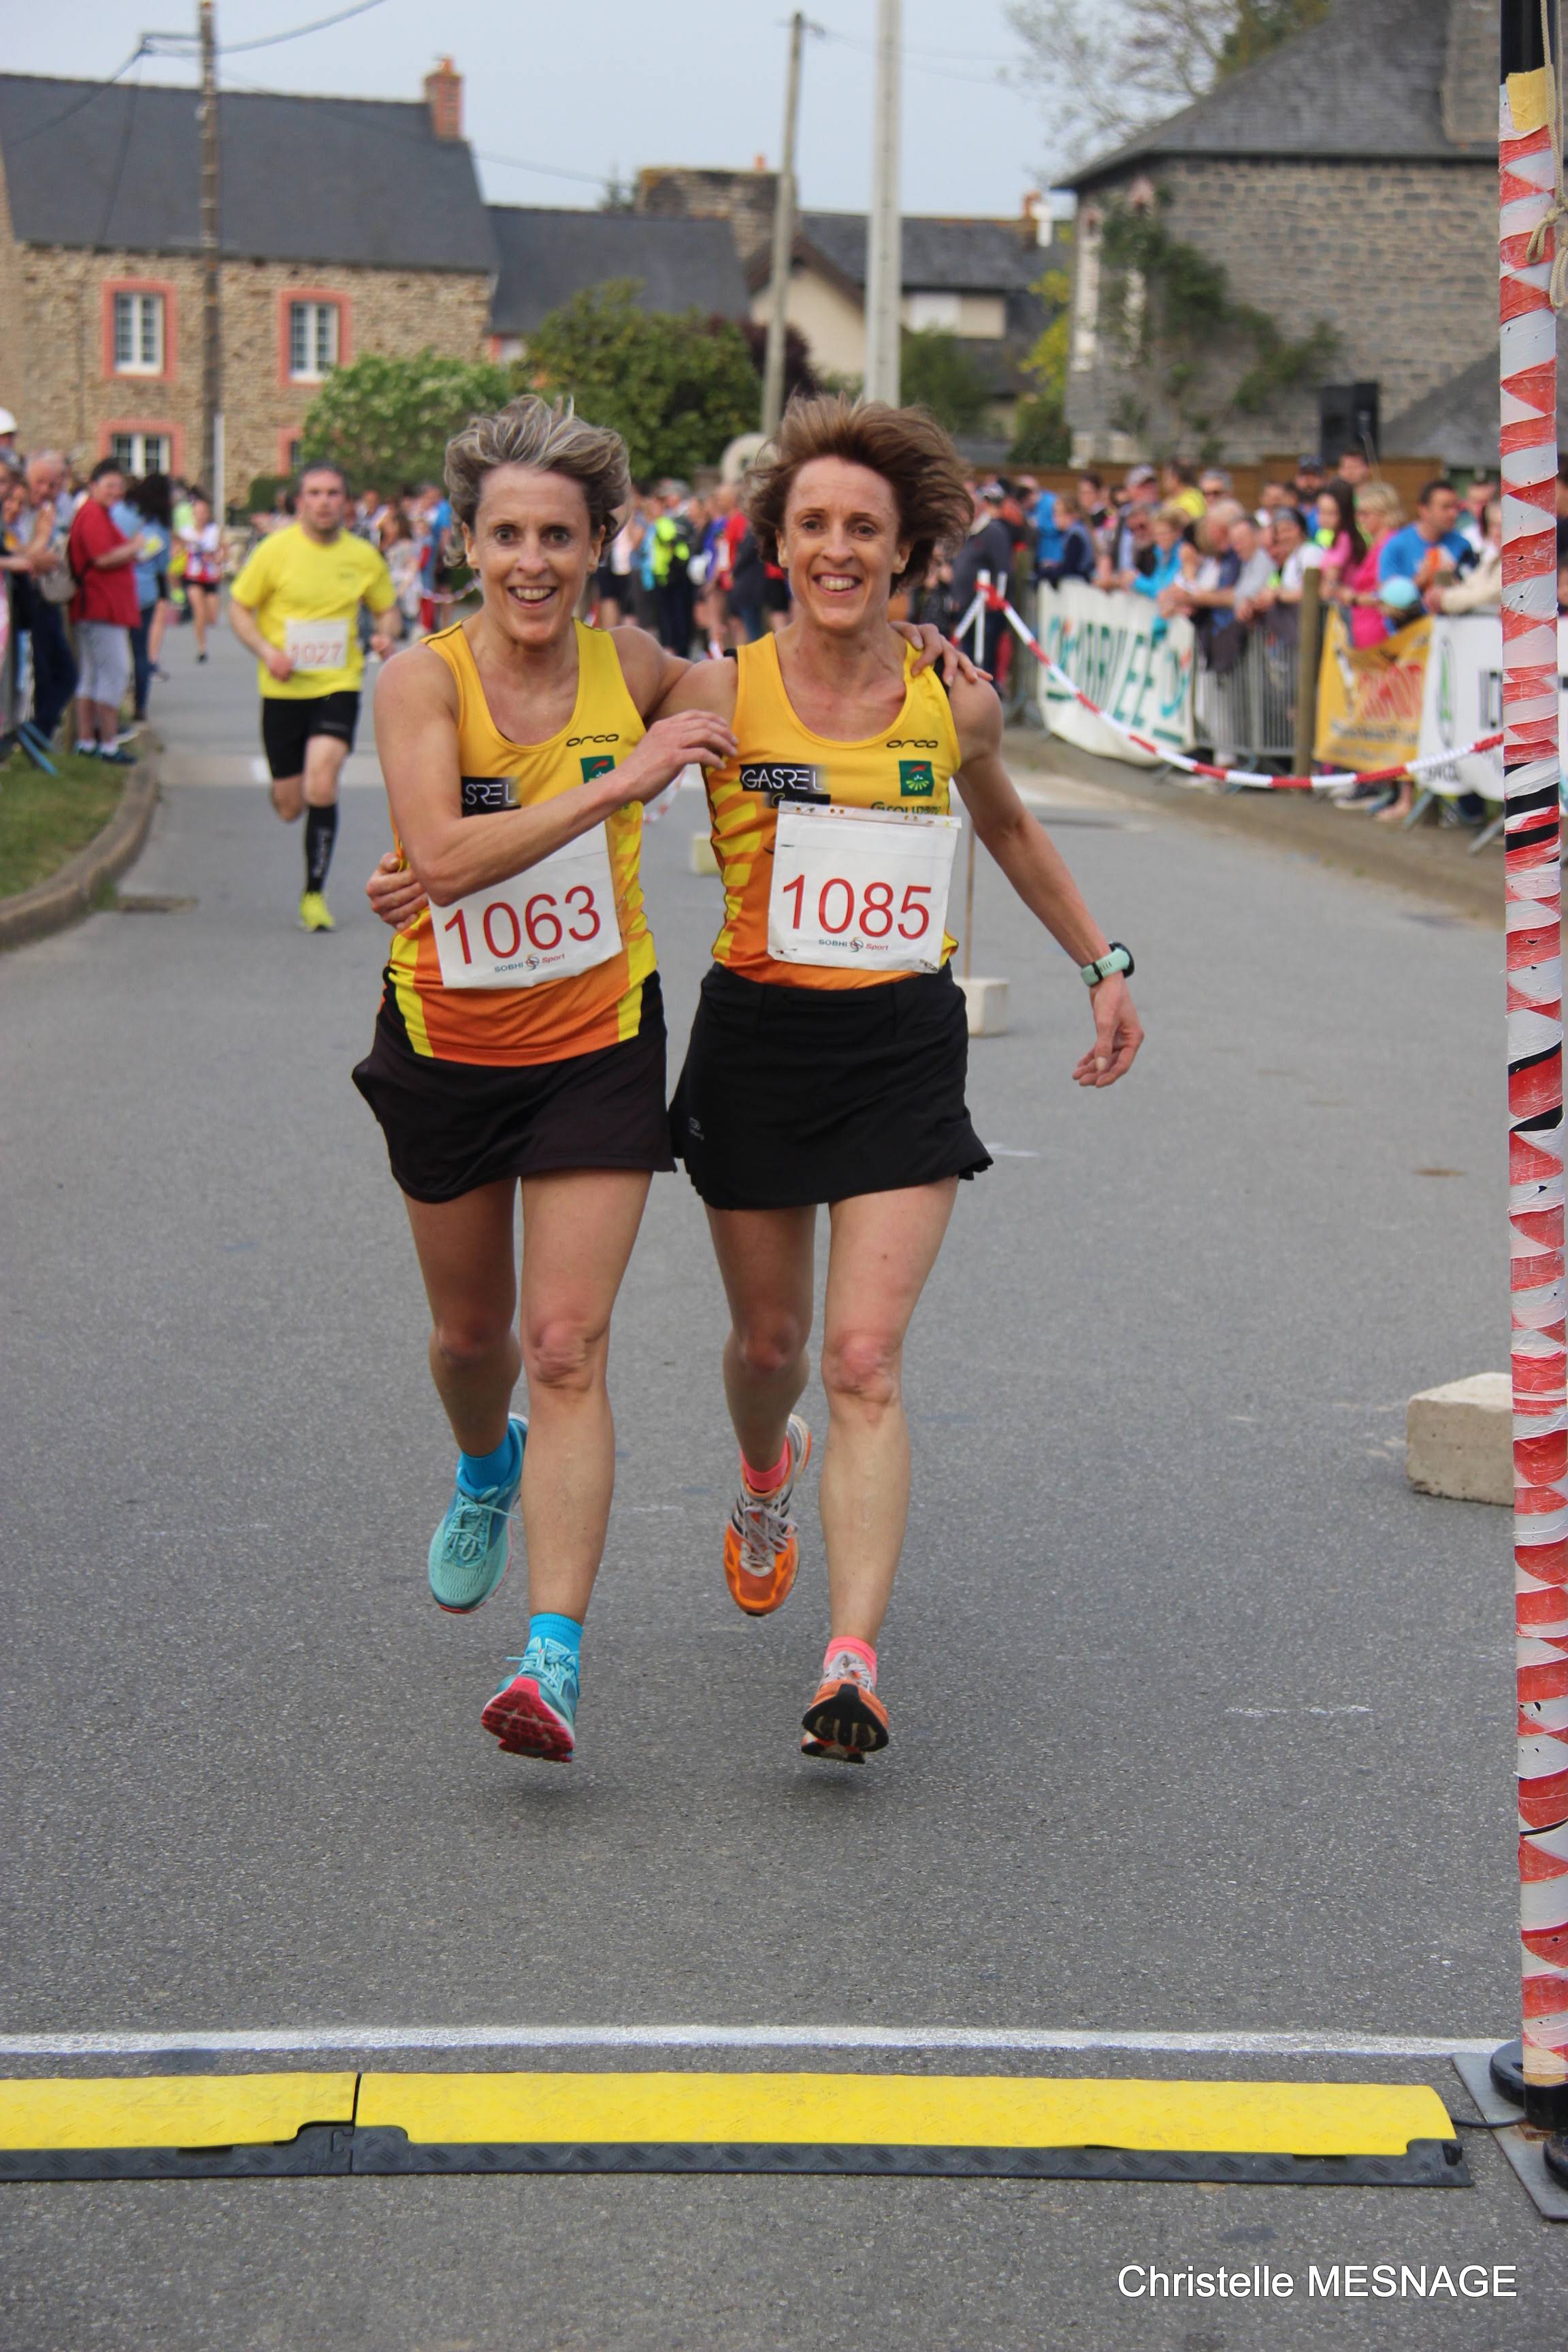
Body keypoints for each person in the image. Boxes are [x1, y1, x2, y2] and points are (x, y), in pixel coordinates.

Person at [358, 395, 977, 1765]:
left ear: (599, 548)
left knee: (562, 1345)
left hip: (596, 1044)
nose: (532, 563)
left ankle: (551, 1660)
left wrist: (907, 643)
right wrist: (616, 783)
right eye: (507, 536)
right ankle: (484, 1464)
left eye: (557, 539)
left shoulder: (638, 665)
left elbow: (793, 689)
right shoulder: (420, 683)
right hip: (449, 1047)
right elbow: (441, 862)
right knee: (472, 1343)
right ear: (467, 544)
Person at [655, 396, 1141, 1762]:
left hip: (899, 1049)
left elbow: (1012, 832)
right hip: (757, 1043)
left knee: (863, 1361)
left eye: (862, 527)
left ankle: (851, 1663)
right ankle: (766, 1472)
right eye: (812, 524)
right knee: (771, 1351)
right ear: (776, 546)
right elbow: (562, 719)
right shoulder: (715, 692)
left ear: (905, 552)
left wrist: (1101, 962)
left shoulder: (953, 697)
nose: (837, 547)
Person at [228, 459, 401, 930]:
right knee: (291, 806)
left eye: (332, 493)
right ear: (299, 501)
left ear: (346, 503)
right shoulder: (275, 551)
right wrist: (267, 652)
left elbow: (387, 610)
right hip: (283, 688)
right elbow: (239, 608)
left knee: (322, 783)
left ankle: (313, 896)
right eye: (315, 493)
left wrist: (385, 636)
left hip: (337, 686)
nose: (324, 502)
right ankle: (285, 789)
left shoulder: (363, 556)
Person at [67, 459, 143, 764]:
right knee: (114, 673)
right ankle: (108, 743)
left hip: (96, 606)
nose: (115, 492)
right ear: (93, 486)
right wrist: (135, 547)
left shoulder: (94, 513)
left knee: (91, 675)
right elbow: (101, 558)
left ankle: (87, 741)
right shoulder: (93, 515)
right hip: (101, 606)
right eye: (109, 486)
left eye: (119, 486)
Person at [118, 474, 173, 726]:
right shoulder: (160, 527)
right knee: (141, 652)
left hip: (119, 587)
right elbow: (162, 565)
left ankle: (115, 702)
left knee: (115, 649)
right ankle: (140, 705)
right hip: (146, 591)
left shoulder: (123, 514)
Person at [1377, 479, 1471, 606]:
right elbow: (1385, 597)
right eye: (1446, 508)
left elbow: (1474, 589)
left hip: (1453, 617)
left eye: (1456, 507)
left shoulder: (1463, 545)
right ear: (1424, 510)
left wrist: (1456, 582)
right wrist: (1419, 580)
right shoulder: (1397, 546)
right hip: (1413, 618)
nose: (1453, 514)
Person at [178, 490, 223, 660]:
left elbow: (223, 550)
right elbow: (177, 552)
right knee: (199, 611)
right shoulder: (186, 532)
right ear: (193, 515)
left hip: (210, 576)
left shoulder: (214, 531)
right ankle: (202, 648)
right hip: (193, 576)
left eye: (204, 512)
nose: (201, 516)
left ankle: (204, 635)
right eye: (197, 512)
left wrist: (218, 559)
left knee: (212, 617)